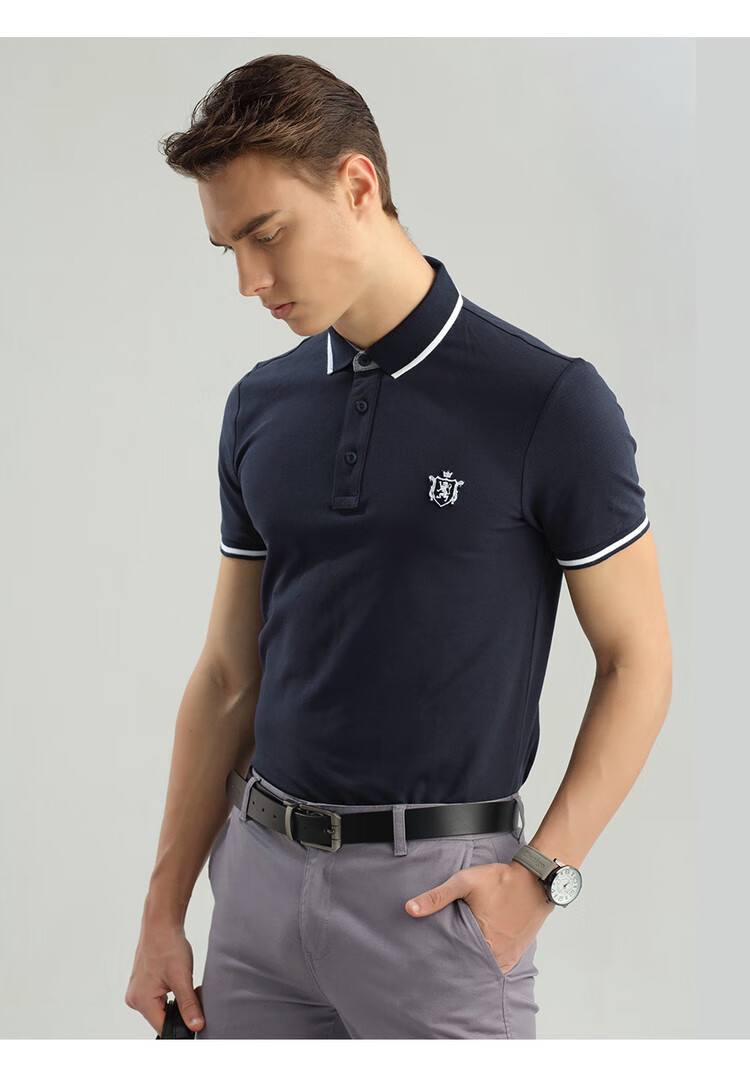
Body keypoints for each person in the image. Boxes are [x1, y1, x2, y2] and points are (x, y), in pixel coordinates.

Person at [125, 53, 672, 1040]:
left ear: (357, 184)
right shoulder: (260, 405)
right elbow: (226, 677)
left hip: (437, 912)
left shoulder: (548, 403)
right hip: (255, 900)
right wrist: (164, 910)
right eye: (228, 249)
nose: (249, 281)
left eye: (267, 234)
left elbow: (640, 660)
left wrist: (541, 876)